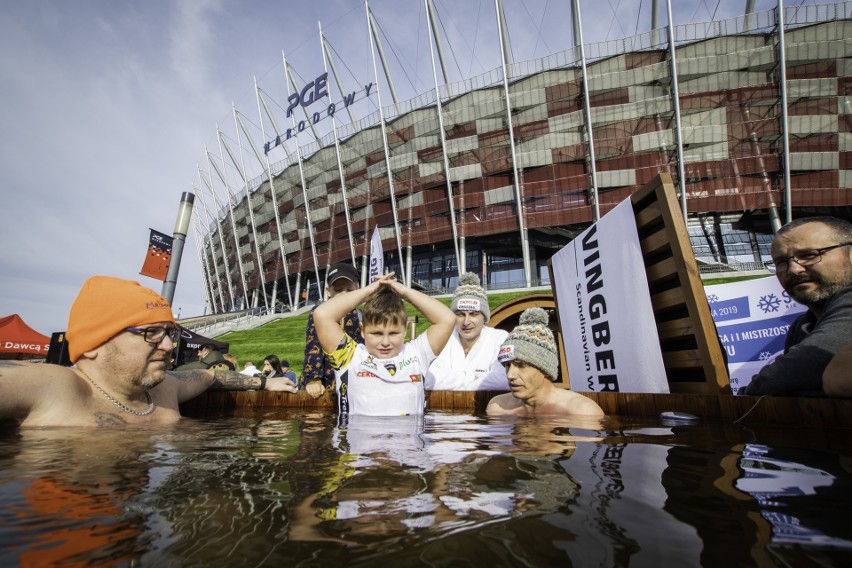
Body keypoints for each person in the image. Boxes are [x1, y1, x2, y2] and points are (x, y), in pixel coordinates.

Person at [0, 276, 298, 428]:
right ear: (94, 345)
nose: (168, 346)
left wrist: (264, 383)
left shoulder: (165, 389)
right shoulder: (56, 387)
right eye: (150, 333)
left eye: (168, 333)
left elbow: (207, 377)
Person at [313, 272, 456, 416]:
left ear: (405, 330)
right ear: (362, 330)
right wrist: (368, 291)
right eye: (377, 334)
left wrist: (405, 292)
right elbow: (322, 315)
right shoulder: (350, 357)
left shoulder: (417, 355)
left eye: (394, 333)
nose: (385, 342)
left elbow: (447, 319)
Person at [744, 216, 852, 396]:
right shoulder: (801, 325)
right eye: (782, 261)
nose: (794, 269)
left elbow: (794, 372)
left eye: (809, 255)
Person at [486, 307, 604, 417]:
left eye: (521, 365)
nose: (510, 375)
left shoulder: (582, 412)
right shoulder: (498, 408)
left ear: (545, 369)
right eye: (507, 365)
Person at [426, 272, 508, 390]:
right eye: (460, 314)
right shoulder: (443, 338)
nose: (466, 322)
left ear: (484, 317)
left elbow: (504, 378)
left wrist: (452, 381)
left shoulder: (499, 338)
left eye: (473, 314)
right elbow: (428, 379)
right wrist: (471, 378)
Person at [301, 263, 363, 399]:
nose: (344, 294)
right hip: (327, 387)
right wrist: (313, 379)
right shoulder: (319, 314)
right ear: (328, 291)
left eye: (349, 290)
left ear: (358, 289)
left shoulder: (363, 315)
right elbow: (313, 347)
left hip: (357, 384)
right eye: (338, 289)